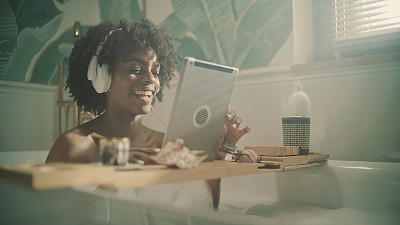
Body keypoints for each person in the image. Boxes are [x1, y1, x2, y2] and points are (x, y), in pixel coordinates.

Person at [46, 18, 251, 209]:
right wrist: (119, 168)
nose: (151, 79)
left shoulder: (165, 144)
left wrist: (216, 157)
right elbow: (51, 215)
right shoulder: (76, 144)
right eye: (135, 68)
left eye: (156, 71)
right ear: (104, 77)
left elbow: (206, 211)